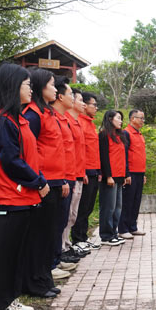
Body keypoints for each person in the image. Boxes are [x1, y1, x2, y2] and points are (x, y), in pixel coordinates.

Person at [0, 63, 49, 310]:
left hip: (21, 197)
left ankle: (9, 299)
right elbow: (11, 161)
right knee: (2, 255)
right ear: (12, 87)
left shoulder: (16, 119)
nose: (30, 90)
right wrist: (38, 181)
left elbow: (27, 157)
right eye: (26, 85)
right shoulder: (1, 121)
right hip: (7, 198)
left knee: (15, 254)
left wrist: (36, 180)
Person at [22, 68, 67, 298]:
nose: (55, 89)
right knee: (39, 235)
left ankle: (44, 277)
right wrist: (39, 181)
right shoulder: (32, 115)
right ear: (41, 87)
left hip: (56, 180)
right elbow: (29, 151)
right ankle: (35, 282)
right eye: (51, 84)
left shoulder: (47, 112)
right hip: (44, 183)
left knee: (50, 233)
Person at [49, 77, 80, 280]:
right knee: (54, 224)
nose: (78, 99)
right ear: (60, 97)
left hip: (68, 176)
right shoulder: (48, 117)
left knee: (63, 220)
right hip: (55, 179)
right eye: (71, 94)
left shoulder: (62, 119)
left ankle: (56, 259)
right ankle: (50, 263)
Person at [71, 92, 101, 249]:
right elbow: (79, 150)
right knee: (81, 207)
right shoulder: (79, 122)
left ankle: (83, 237)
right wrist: (82, 171)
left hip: (94, 170)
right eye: (93, 104)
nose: (95, 107)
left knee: (88, 207)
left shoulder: (90, 123)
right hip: (85, 171)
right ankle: (77, 239)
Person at [61, 88, 90, 257]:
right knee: (65, 216)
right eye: (79, 99)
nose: (81, 103)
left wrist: (82, 171)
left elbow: (78, 152)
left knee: (72, 215)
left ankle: (66, 245)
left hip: (77, 174)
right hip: (67, 176)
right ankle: (62, 249)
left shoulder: (76, 123)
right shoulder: (66, 121)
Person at [99, 110, 129, 246]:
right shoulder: (104, 135)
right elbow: (104, 157)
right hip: (110, 177)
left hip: (119, 176)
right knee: (108, 207)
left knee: (118, 207)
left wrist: (124, 175)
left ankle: (113, 233)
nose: (121, 121)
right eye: (118, 118)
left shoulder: (119, 136)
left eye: (121, 118)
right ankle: (106, 235)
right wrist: (108, 176)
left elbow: (122, 157)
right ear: (110, 119)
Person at [118, 109, 147, 239]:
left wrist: (144, 173)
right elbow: (123, 154)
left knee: (136, 201)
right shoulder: (126, 133)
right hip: (131, 173)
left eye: (143, 118)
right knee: (127, 201)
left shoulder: (139, 134)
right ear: (132, 119)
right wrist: (126, 173)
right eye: (140, 118)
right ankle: (123, 228)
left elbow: (140, 155)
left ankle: (132, 226)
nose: (142, 121)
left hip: (139, 173)